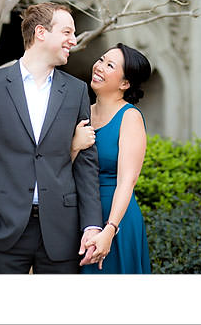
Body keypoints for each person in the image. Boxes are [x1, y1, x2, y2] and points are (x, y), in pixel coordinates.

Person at [0, 2, 102, 273]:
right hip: (3, 228)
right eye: (67, 32)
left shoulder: (76, 91)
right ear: (41, 33)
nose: (73, 40)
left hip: (63, 230)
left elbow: (86, 164)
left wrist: (91, 224)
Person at [71, 43, 152, 273]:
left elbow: (127, 182)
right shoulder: (81, 111)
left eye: (109, 65)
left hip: (115, 218)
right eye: (101, 59)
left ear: (125, 84)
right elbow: (57, 166)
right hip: (79, 213)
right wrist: (75, 145)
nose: (99, 66)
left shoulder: (130, 117)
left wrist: (110, 229)